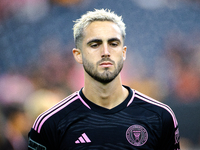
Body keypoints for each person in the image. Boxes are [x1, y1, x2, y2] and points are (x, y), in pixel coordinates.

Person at [28, 9, 180, 150]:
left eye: (113, 44)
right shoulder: (50, 124)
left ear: (124, 52)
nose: (106, 52)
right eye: (95, 44)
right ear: (78, 55)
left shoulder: (160, 117)